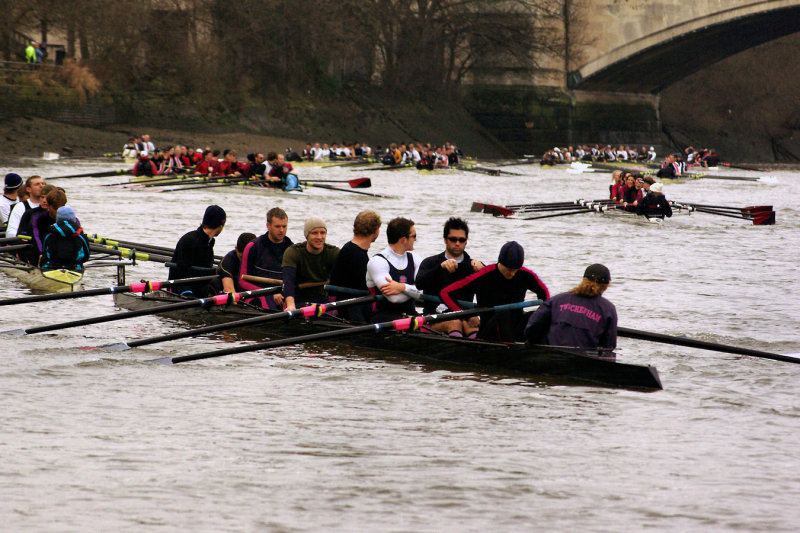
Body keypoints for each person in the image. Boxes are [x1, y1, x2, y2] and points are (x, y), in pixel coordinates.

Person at [439, 241, 549, 342]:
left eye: (515, 270)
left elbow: (545, 294)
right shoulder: (484, 275)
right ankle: (511, 350)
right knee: (503, 313)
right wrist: (467, 316)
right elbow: (446, 293)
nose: (512, 274)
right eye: (508, 269)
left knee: (537, 315)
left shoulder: (526, 275)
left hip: (516, 328)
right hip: (489, 331)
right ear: (500, 262)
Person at [524, 264, 617, 351]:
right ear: (606, 286)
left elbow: (532, 328)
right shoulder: (609, 309)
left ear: (583, 280)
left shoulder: (556, 300)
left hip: (551, 355)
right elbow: (609, 346)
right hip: (584, 360)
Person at [416, 217, 484, 337]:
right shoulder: (431, 263)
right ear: (445, 240)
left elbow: (493, 289)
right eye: (453, 239)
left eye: (461, 240)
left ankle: (475, 349)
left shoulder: (473, 266)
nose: (457, 243)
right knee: (455, 323)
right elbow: (419, 284)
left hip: (465, 316)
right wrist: (440, 268)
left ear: (466, 242)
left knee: (471, 324)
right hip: (434, 316)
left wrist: (484, 270)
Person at [329, 210, 382, 322]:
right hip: (351, 310)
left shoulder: (349, 248)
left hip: (348, 304)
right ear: (376, 230)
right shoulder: (357, 255)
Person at [365, 217, 421, 321]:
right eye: (414, 236)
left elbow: (424, 291)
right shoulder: (377, 262)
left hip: (411, 315)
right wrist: (413, 291)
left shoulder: (415, 259)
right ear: (403, 240)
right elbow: (394, 298)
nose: (415, 239)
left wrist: (402, 287)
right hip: (383, 318)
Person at [239, 207, 294, 309]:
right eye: (277, 226)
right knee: (266, 302)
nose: (281, 230)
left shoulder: (291, 249)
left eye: (284, 226)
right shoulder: (253, 247)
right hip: (257, 295)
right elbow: (242, 281)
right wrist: (269, 293)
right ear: (268, 226)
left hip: (283, 295)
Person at [281, 217, 339, 311]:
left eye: (322, 233)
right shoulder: (293, 252)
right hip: (298, 298)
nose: (319, 237)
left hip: (323, 298)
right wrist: (291, 305)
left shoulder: (333, 252)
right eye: (314, 233)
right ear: (307, 235)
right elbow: (289, 283)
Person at [168, 205, 226, 297]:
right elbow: (182, 271)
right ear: (220, 226)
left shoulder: (209, 242)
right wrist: (214, 272)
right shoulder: (190, 240)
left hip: (197, 285)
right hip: (181, 287)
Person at [18, 186, 67, 265]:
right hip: (34, 248)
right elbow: (22, 235)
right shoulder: (31, 214)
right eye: (42, 197)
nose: (44, 201)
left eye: (47, 198)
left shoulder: (64, 216)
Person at [40, 206, 90, 272]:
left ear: (57, 219)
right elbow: (86, 256)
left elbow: (45, 254)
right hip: (74, 268)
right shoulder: (80, 236)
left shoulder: (49, 235)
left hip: (51, 267)